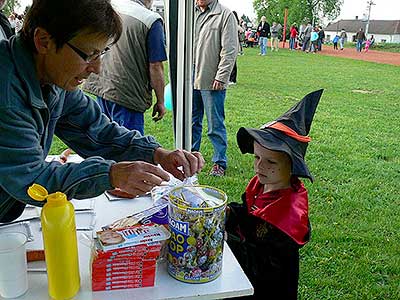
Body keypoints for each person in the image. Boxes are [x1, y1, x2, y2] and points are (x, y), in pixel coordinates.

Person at [0, 0, 204, 223]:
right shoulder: (6, 92)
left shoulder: (53, 76)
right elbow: (32, 178)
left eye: (101, 54)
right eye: (89, 55)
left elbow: (97, 130)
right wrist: (110, 174)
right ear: (44, 41)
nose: (97, 69)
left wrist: (157, 153)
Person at [226, 89, 323, 299]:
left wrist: (227, 239)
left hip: (268, 286)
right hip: (246, 274)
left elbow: (261, 266)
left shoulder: (289, 214)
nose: (260, 167)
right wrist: (226, 213)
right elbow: (248, 213)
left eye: (270, 162)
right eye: (257, 158)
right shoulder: (261, 184)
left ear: (293, 167)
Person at [83, 0, 167, 135]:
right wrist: (161, 101)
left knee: (104, 139)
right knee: (130, 147)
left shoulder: (111, 7)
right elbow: (156, 66)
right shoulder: (151, 20)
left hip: (102, 86)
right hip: (127, 94)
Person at [192, 0, 238, 177]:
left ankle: (219, 162)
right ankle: (190, 156)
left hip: (211, 78)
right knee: (192, 121)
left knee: (215, 123)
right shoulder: (190, 14)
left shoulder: (225, 15)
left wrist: (222, 75)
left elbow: (230, 49)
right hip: (190, 76)